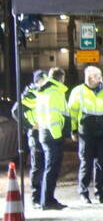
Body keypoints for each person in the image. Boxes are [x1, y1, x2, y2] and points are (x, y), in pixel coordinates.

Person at [67, 66, 103, 204]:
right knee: (86, 162)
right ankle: (84, 192)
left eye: (92, 77)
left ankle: (99, 192)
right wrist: (73, 131)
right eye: (87, 77)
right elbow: (72, 114)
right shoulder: (78, 91)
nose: (88, 80)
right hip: (86, 131)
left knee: (101, 162)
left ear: (99, 77)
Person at [35, 68, 69, 210]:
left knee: (49, 168)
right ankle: (47, 201)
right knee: (51, 169)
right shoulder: (54, 92)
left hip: (45, 133)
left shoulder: (46, 91)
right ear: (61, 78)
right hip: (52, 135)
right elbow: (53, 116)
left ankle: (47, 199)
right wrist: (58, 135)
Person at [11, 70, 47, 207]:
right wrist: (30, 125)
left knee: (45, 165)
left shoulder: (45, 93)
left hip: (46, 132)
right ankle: (36, 198)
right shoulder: (29, 94)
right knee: (38, 165)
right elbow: (15, 111)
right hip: (36, 134)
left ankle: (44, 197)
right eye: (43, 80)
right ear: (37, 81)